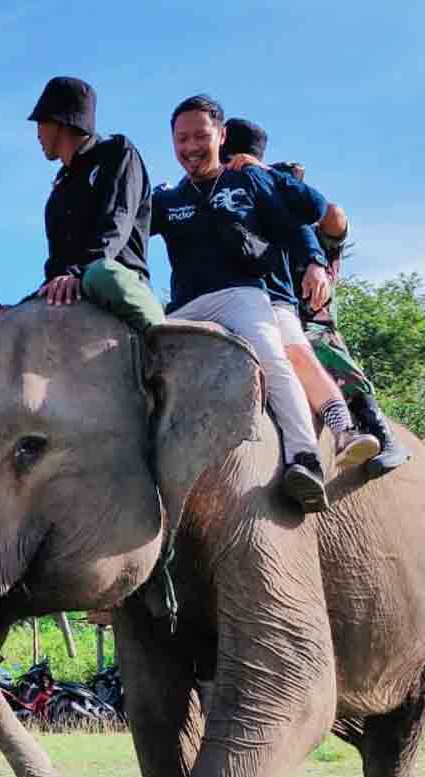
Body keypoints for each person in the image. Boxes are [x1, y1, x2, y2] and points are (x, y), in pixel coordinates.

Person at [151, 95, 333, 511]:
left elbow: (311, 209)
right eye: (181, 138)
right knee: (140, 361)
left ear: (222, 135)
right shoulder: (168, 199)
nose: (191, 147)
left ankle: (304, 457)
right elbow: (126, 227)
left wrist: (264, 171)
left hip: (242, 295)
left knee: (273, 357)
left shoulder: (246, 181)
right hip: (187, 307)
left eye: (201, 135)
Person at [221, 122, 409, 476]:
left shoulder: (301, 217)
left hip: (309, 320)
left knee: (317, 347)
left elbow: (334, 218)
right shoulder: (250, 219)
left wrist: (270, 177)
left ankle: (376, 428)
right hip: (261, 310)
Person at [22, 76, 164, 333]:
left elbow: (115, 226)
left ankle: (166, 342)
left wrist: (78, 272)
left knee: (101, 273)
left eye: (41, 123)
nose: (37, 133)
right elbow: (56, 265)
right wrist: (21, 307)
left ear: (60, 122)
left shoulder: (117, 152)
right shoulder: (59, 187)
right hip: (71, 284)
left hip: (113, 278)